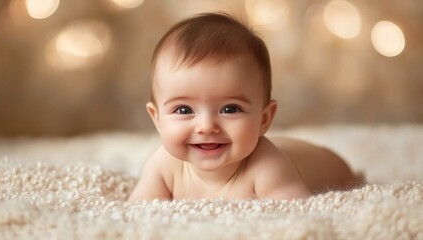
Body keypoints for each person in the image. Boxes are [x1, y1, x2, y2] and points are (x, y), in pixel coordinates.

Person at [128, 13, 362, 202]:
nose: (206, 126)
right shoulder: (162, 166)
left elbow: (297, 219)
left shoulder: (268, 167)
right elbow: (137, 214)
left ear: (264, 119)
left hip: (331, 166)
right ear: (156, 118)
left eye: (230, 109)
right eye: (183, 110)